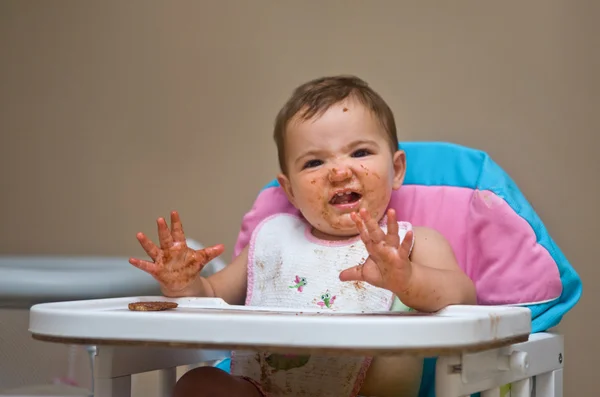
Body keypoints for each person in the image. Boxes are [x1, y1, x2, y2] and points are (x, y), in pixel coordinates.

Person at [129, 75, 477, 397]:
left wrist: (408, 279)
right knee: (198, 383)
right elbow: (211, 295)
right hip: (262, 390)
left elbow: (464, 297)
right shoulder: (273, 239)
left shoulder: (410, 243)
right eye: (314, 163)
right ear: (290, 190)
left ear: (397, 169)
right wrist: (182, 285)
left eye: (360, 153)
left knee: (391, 364)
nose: (340, 171)